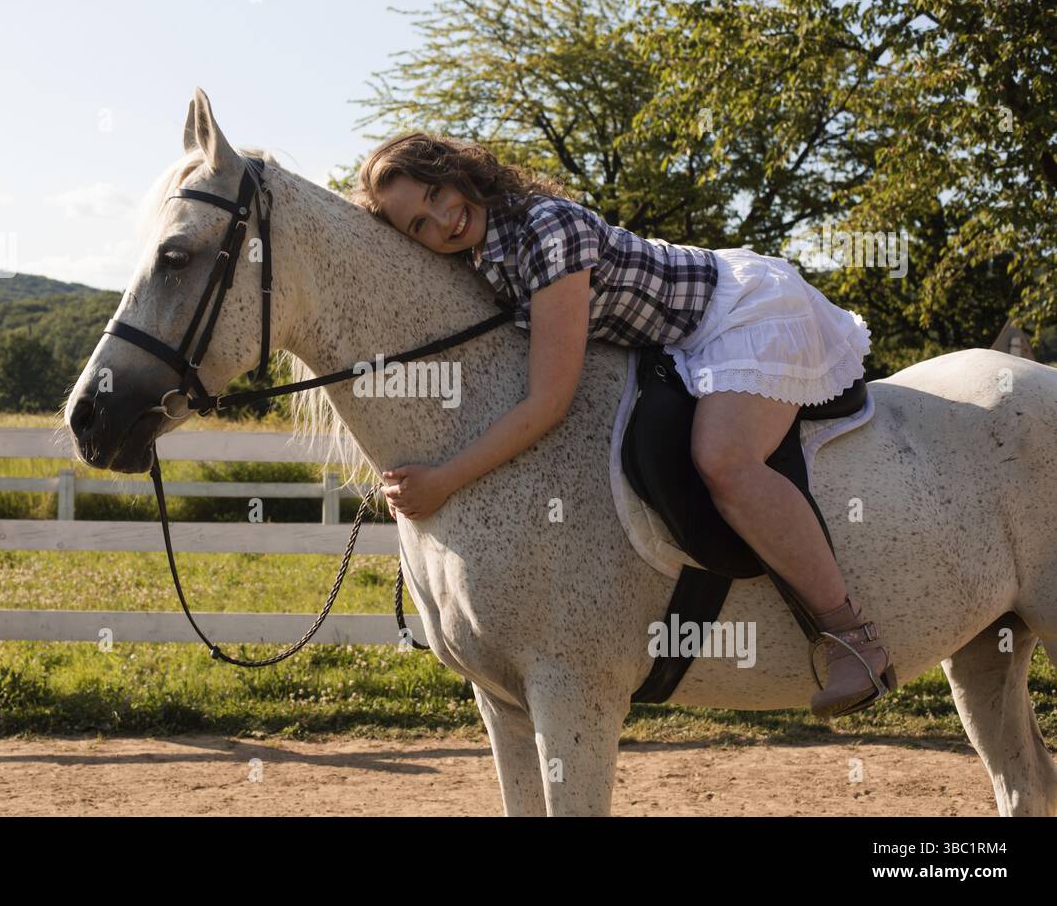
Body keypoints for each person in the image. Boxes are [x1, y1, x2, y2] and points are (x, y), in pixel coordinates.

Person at [351, 131, 894, 718]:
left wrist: (445, 480)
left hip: (741, 313)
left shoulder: (544, 231)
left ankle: (852, 640)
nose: (441, 219)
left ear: (459, 171)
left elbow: (547, 403)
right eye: (418, 225)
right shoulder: (485, 255)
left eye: (436, 192)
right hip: (682, 341)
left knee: (725, 461)